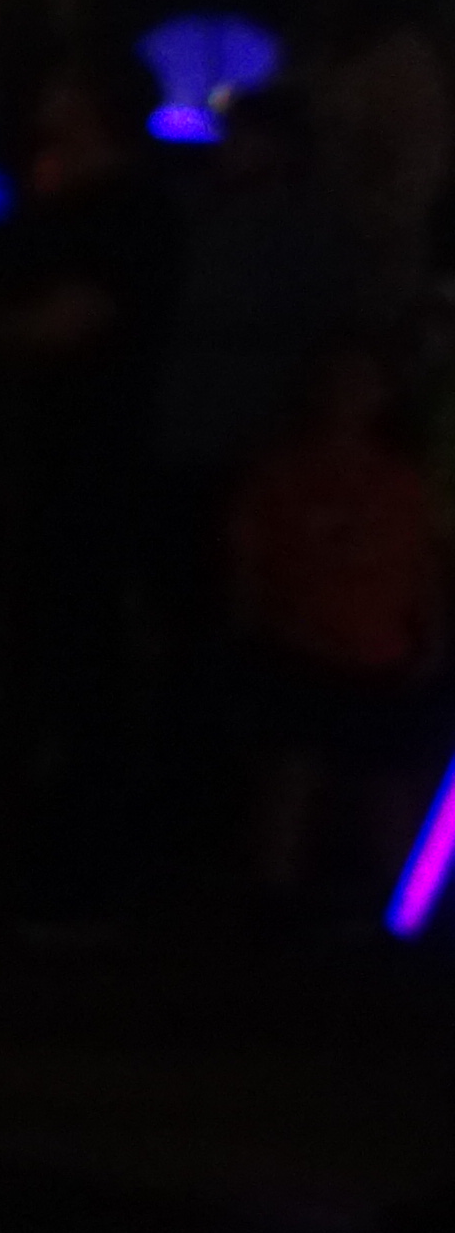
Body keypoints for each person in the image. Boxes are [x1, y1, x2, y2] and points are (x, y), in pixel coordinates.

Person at [222, 335, 440, 924]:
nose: (349, 394)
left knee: (384, 776)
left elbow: (420, 562)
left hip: (379, 644)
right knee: (289, 771)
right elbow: (248, 555)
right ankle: (275, 900)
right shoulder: (279, 468)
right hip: (298, 640)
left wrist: (430, 629)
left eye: (362, 382)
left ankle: (399, 902)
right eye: (337, 380)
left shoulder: (400, 478)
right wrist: (250, 627)